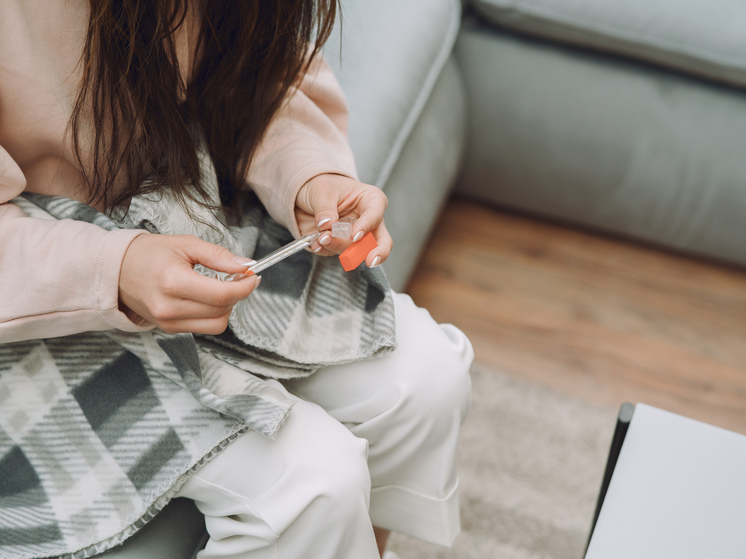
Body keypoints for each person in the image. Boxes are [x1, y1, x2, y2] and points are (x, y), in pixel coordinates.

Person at [0, 2, 473, 558]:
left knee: (427, 378)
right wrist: (118, 268)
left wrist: (311, 177)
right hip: (36, 286)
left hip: (183, 214)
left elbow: (261, 81)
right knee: (316, 481)